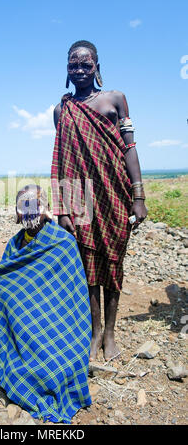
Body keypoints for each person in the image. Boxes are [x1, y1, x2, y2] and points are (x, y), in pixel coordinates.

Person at [0, 185, 92, 424]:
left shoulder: (64, 244)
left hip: (57, 330)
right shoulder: (15, 245)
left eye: (34, 206)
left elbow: (74, 301)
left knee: (54, 372)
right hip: (24, 327)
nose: (29, 213)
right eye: (23, 207)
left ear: (46, 211)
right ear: (17, 215)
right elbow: (9, 286)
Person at [51, 40, 148, 362]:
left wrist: (138, 196)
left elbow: (129, 149)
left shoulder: (115, 99)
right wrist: (63, 207)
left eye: (85, 65)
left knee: (113, 264)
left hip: (116, 192)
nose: (79, 70)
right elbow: (65, 158)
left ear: (96, 67)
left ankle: (110, 334)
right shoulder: (62, 109)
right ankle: (95, 332)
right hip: (81, 198)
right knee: (89, 267)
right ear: (67, 70)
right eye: (73, 66)